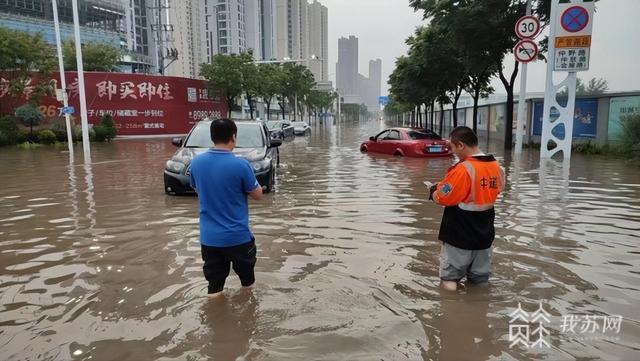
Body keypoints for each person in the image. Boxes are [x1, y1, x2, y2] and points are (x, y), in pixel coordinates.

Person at [190, 118, 263, 298]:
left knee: (214, 289)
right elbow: (257, 195)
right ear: (233, 137)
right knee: (248, 285)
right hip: (238, 237)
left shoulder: (196, 163)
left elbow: (196, 188)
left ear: (212, 137)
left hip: (209, 239)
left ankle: (215, 320)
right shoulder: (241, 165)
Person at [428, 126, 505, 291]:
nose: (453, 152)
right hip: (484, 235)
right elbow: (496, 190)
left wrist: (434, 192)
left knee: (450, 279)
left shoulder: (463, 169)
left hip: (459, 233)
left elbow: (445, 197)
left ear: (461, 145)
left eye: (453, 147)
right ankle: (479, 310)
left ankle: (452, 312)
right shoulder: (497, 167)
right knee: (480, 281)